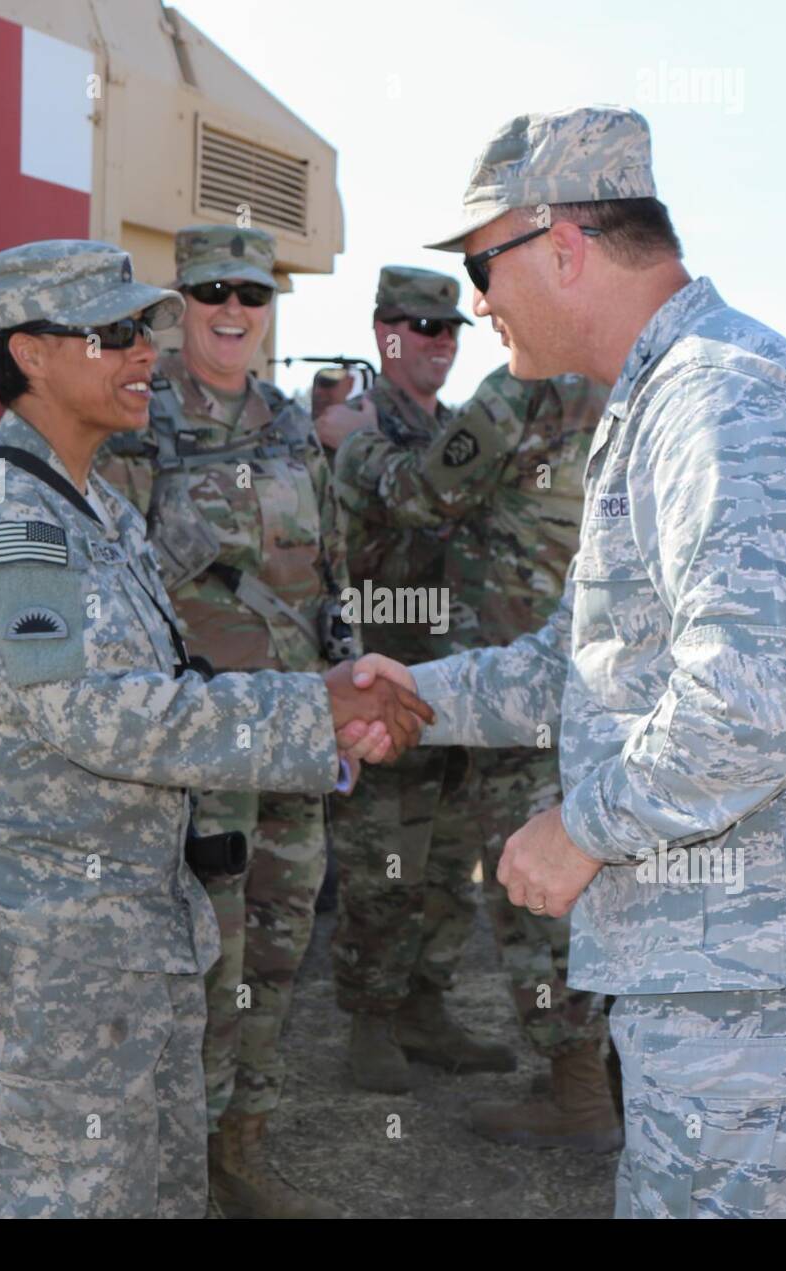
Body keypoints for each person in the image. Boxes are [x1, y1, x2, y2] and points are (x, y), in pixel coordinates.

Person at [353, 106, 786, 1218]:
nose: (476, 303)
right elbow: (589, 666)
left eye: (482, 266)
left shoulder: (718, 398)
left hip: (757, 950)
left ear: (564, 246)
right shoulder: (667, 398)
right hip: (728, 942)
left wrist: (579, 827)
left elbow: (758, 695)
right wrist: (416, 697)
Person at [0, 238, 429, 1219]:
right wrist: (316, 711)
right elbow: (103, 717)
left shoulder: (89, 505)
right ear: (31, 353)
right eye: (111, 333)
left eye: (144, 327)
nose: (145, 350)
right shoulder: (11, 517)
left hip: (126, 937)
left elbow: (167, 673)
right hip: (44, 963)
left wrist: (325, 689)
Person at [96, 223, 358, 1219]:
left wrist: (339, 699)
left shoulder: (291, 425)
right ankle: (178, 1157)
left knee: (280, 955)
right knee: (206, 959)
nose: (235, 313)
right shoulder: (138, 421)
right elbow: (112, 584)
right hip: (200, 748)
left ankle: (242, 1142)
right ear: (183, 303)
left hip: (294, 733)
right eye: (215, 294)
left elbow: (324, 575)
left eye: (252, 294)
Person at [334, 363, 622, 1151]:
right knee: (606, 871)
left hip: (518, 673)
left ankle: (581, 1095)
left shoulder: (529, 383)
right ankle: (613, 1080)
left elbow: (423, 494)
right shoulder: (646, 378)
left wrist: (351, 446)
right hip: (603, 672)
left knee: (532, 883)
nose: (480, 311)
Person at [319, 267, 515, 1092]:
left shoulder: (459, 428)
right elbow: (416, 505)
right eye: (418, 327)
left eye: (449, 330)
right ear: (382, 333)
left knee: (448, 862)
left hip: (458, 676)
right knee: (384, 863)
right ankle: (371, 1021)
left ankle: (425, 1007)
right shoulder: (358, 430)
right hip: (388, 675)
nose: (437, 342)